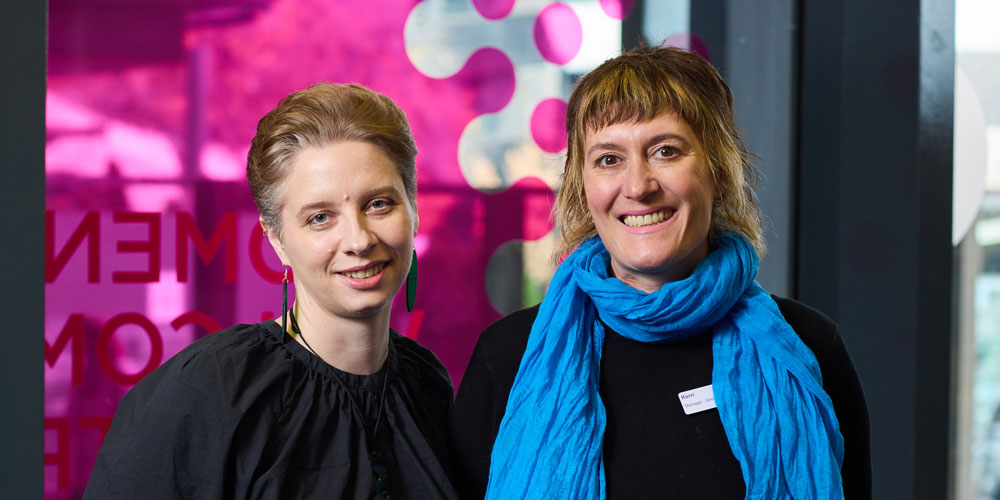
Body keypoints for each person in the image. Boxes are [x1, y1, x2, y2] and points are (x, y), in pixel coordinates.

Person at [450, 46, 871, 499]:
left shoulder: (808, 349)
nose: (638, 186)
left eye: (665, 151)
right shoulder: (508, 357)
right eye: (609, 159)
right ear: (583, 186)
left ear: (720, 172)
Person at [84, 83, 458, 500]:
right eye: (320, 217)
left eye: (379, 204)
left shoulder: (428, 385)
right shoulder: (210, 391)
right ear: (277, 239)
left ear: (414, 207)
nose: (358, 239)